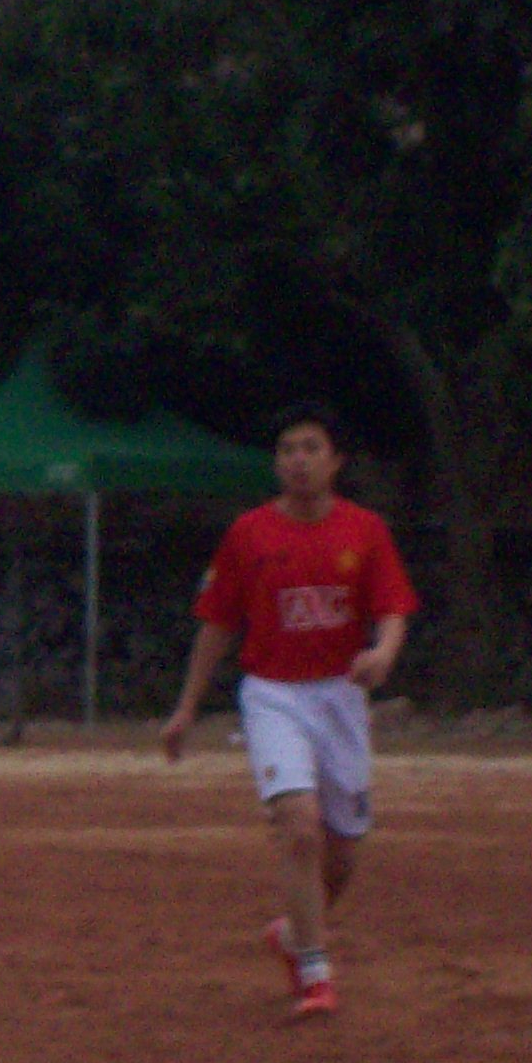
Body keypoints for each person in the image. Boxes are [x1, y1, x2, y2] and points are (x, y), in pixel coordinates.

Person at [161, 406, 418, 1025]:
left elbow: (392, 608)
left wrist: (383, 652)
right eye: (286, 450)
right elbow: (217, 622)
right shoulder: (249, 534)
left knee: (342, 857)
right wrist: (187, 706)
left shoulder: (364, 530)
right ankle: (315, 973)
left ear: (335, 461)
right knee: (300, 827)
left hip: (339, 697)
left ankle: (293, 932)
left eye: (310, 448)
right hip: (273, 694)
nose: (297, 460)